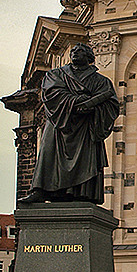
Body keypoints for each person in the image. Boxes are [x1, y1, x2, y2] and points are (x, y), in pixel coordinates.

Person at [19, 43, 119, 205]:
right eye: (73, 51)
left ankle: (81, 193)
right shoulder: (56, 74)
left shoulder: (101, 81)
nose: (75, 53)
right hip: (60, 123)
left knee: (85, 159)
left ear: (89, 57)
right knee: (47, 153)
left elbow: (112, 105)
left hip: (86, 128)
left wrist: (94, 107)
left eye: (80, 51)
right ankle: (39, 190)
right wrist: (77, 101)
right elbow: (52, 94)